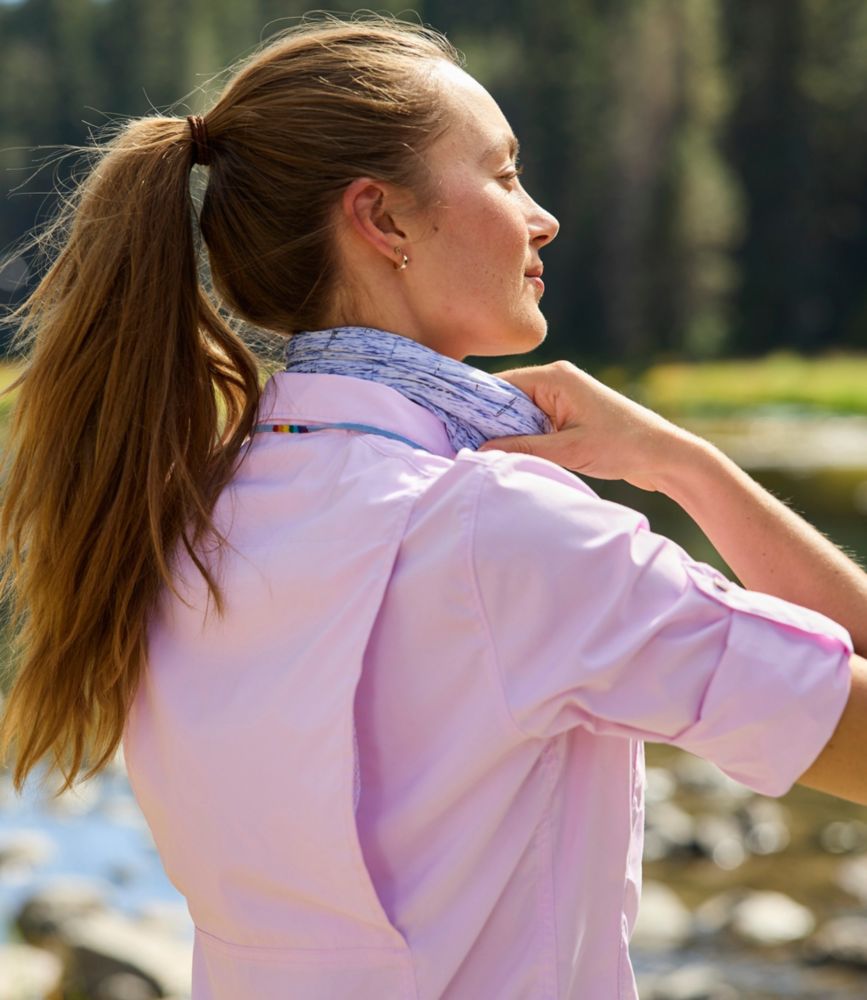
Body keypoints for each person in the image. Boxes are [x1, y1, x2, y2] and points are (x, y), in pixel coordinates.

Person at [1, 13, 866, 1000]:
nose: (540, 217)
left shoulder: (183, 514)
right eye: (502, 175)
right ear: (382, 219)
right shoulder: (503, 531)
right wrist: (691, 470)